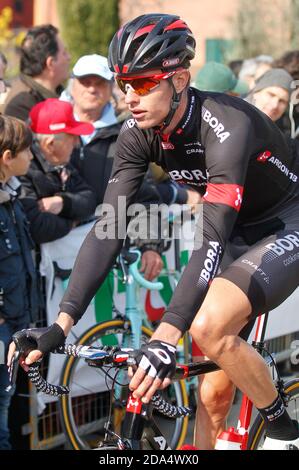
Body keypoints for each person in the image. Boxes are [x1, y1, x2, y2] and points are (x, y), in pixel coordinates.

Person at [8, 14, 299, 450]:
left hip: (283, 223)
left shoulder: (226, 126)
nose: (130, 97)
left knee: (207, 327)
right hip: (239, 229)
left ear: (180, 79)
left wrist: (166, 336)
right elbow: (108, 228)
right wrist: (60, 324)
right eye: (125, 84)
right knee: (213, 396)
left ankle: (282, 427)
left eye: (144, 84)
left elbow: (212, 238)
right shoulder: (137, 133)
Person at [0, 115, 38, 449]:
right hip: (2, 327)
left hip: (13, 325)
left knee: (6, 406)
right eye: (27, 150)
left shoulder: (11, 198)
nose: (32, 156)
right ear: (7, 157)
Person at [19, 98, 97, 244]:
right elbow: (35, 226)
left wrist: (63, 202)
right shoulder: (23, 168)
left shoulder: (61, 161)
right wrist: (73, 223)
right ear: (50, 144)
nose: (76, 143)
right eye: (72, 137)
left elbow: (89, 199)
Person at [3, 25, 70, 122]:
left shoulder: (60, 93)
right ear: (51, 63)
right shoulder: (20, 105)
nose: (69, 57)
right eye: (64, 53)